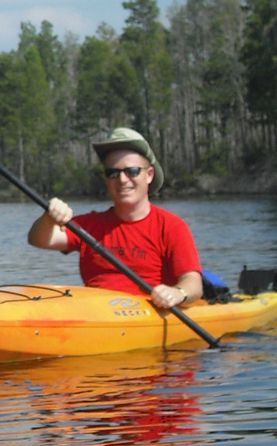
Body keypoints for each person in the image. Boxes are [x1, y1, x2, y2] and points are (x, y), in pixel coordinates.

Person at [28, 127, 202, 310]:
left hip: (146, 316)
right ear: (106, 178)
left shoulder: (172, 226)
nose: (122, 180)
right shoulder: (88, 224)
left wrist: (178, 293)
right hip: (96, 313)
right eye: (113, 173)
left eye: (132, 171)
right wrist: (48, 218)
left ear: (149, 175)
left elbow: (193, 283)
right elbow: (39, 240)